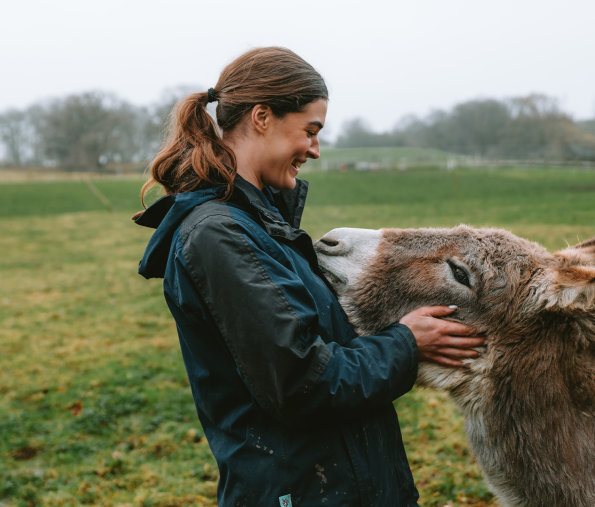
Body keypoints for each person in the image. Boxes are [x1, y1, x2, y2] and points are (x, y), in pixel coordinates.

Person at [134, 47, 482, 507]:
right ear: (261, 117)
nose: (315, 150)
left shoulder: (260, 225)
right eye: (310, 131)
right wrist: (406, 343)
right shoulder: (219, 236)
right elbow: (302, 383)